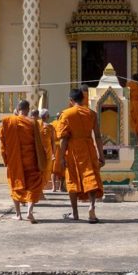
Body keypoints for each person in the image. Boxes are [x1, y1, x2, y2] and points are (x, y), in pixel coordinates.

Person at [57, 89, 105, 223]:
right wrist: (101, 155)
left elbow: (63, 139)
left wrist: (61, 157)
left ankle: (75, 212)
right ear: (83, 100)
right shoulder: (92, 114)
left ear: (71, 101)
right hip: (89, 148)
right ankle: (91, 208)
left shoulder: (66, 114)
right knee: (91, 177)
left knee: (72, 180)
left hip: (73, 150)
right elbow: (98, 137)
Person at [0, 100, 47, 223]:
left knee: (15, 183)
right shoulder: (33, 122)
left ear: (17, 108)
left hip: (14, 159)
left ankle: (18, 214)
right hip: (31, 159)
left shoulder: (7, 121)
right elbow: (38, 142)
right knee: (34, 184)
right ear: (28, 109)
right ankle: (30, 212)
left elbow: (3, 142)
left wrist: (6, 158)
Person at [39, 109, 56, 191]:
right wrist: (54, 153)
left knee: (40, 170)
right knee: (45, 170)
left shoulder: (49, 127)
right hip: (45, 151)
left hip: (40, 151)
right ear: (47, 116)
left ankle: (40, 189)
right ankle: (40, 189)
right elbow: (53, 141)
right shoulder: (49, 127)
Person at [50, 112, 64, 192]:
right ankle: (60, 187)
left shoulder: (52, 124)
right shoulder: (63, 123)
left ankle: (54, 187)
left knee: (54, 169)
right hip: (61, 148)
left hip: (55, 148)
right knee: (61, 168)